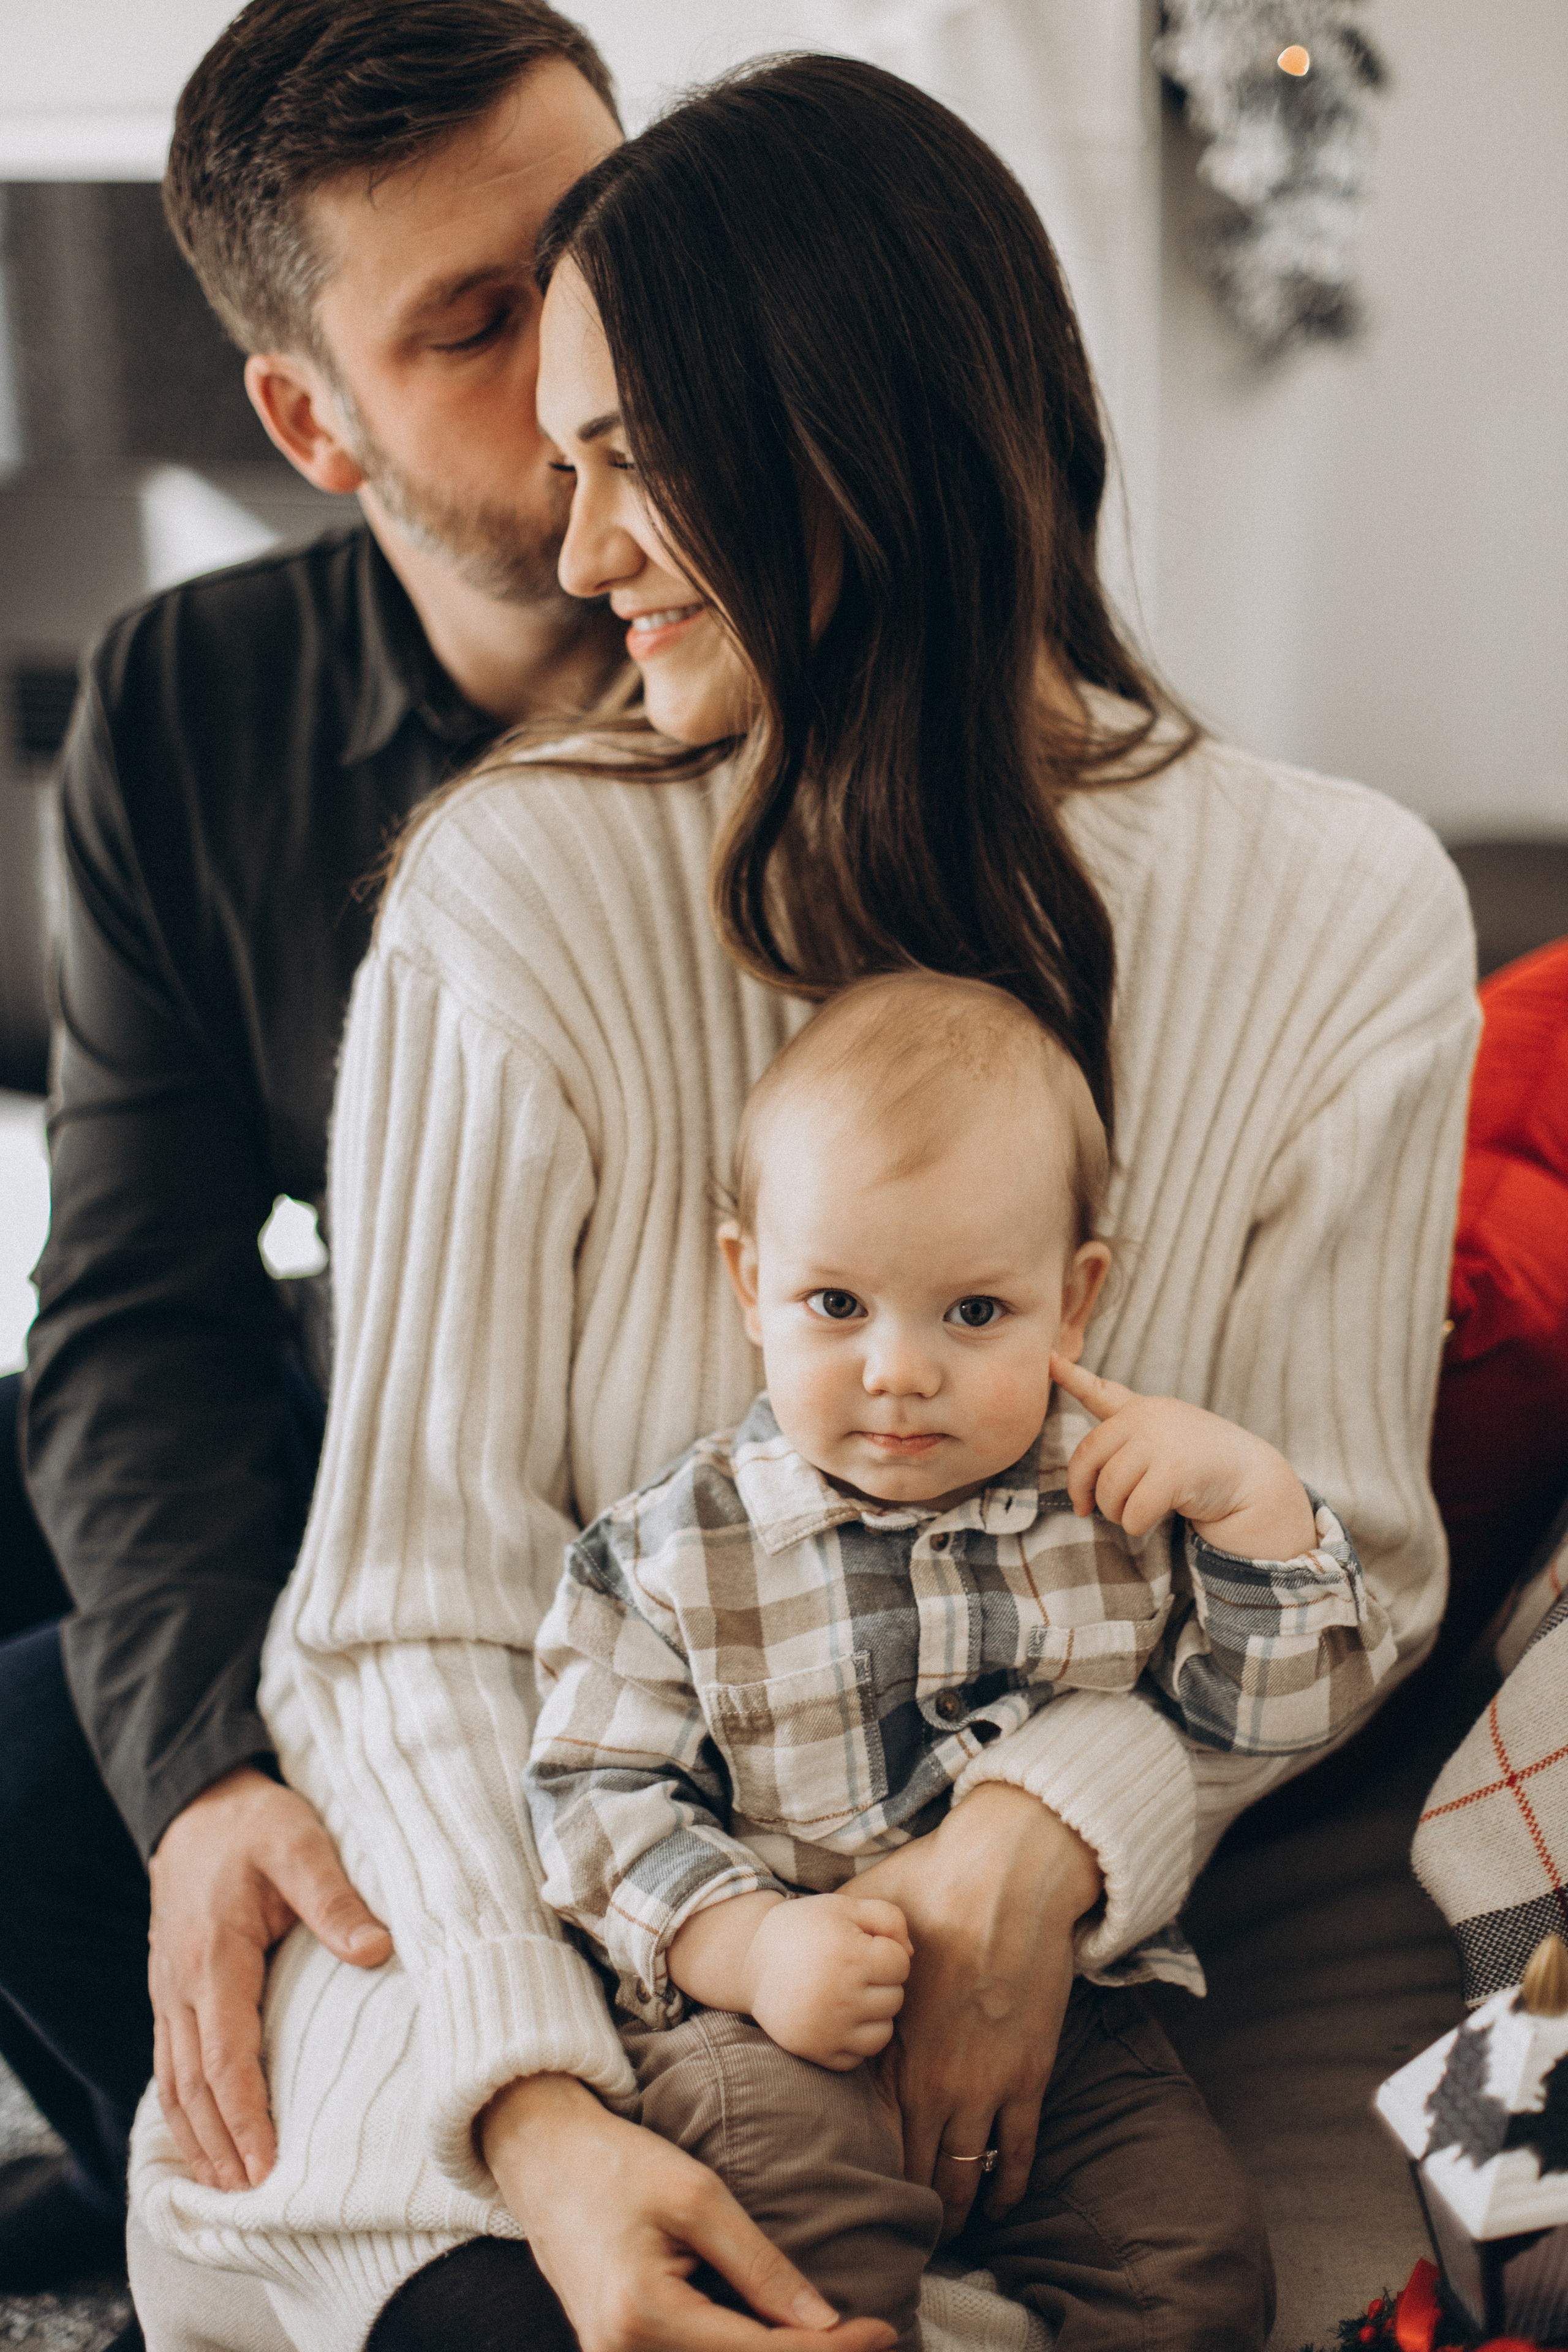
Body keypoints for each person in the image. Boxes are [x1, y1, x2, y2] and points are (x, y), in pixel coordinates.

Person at [126, 51, 1478, 2352]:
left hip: (1129, 1980)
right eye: (561, 463)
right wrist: (534, 2108)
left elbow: (1337, 1551)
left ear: (873, 426)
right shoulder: (512, 891)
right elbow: (411, 1608)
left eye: (636, 460)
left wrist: (1036, 1848)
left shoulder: (1340, 914)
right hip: (581, 1923)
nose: (577, 553)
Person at [0, 0, 627, 2324]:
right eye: (478, 323)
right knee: (70, 1528)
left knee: (23, 1763)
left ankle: (237, 2159)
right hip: (355, 1377)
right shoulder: (191, 698)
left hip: (629, 1478)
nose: (589, 356)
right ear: (311, 421)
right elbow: (132, 1298)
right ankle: (158, 2114)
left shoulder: (819, 653)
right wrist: (208, 1785)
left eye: (604, 244)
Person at [525, 970, 1401, 2346]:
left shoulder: (1116, 1501)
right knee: (796, 2252)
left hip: (1069, 2021)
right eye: (834, 1304)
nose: (897, 1369)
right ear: (749, 1282)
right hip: (768, 2028)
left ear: (1073, 1299)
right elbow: (589, 1795)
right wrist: (749, 1947)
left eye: (972, 1314)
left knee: (1197, 2269)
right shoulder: (669, 1548)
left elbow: (1261, 1721)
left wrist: (1254, 1510)